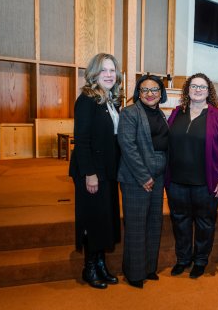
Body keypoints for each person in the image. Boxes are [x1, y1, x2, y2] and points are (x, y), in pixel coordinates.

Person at [166, 73, 218, 279]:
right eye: (194, 86)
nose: (197, 90)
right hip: (177, 181)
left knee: (205, 223)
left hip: (206, 183)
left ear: (208, 91)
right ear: (187, 89)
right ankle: (183, 259)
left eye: (202, 87)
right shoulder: (177, 113)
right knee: (180, 221)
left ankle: (201, 260)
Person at [69, 53, 123, 289]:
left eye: (112, 70)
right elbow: (81, 141)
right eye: (104, 71)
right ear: (94, 74)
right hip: (91, 171)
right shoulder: (87, 100)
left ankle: (101, 265)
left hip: (108, 172)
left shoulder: (111, 100)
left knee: (105, 220)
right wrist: (89, 173)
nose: (109, 75)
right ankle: (89, 268)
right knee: (93, 219)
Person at [117, 75, 169, 288]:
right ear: (138, 92)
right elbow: (127, 146)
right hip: (136, 178)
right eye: (145, 90)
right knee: (136, 226)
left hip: (158, 176)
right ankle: (135, 273)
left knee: (154, 223)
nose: (150, 94)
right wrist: (143, 176)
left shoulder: (162, 114)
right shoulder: (129, 113)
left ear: (161, 93)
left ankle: (149, 268)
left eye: (155, 90)